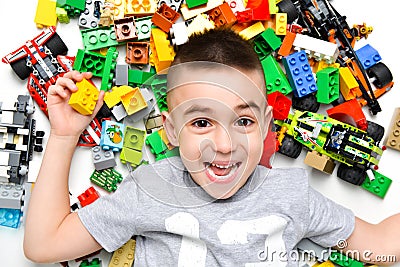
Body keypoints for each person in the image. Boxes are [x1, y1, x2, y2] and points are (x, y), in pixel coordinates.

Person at [24, 28, 400, 266]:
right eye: (201, 122)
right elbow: (43, 246)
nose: (224, 145)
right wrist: (63, 136)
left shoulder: (293, 196)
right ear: (171, 131)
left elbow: (381, 244)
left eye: (244, 121)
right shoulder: (149, 189)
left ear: (267, 125)